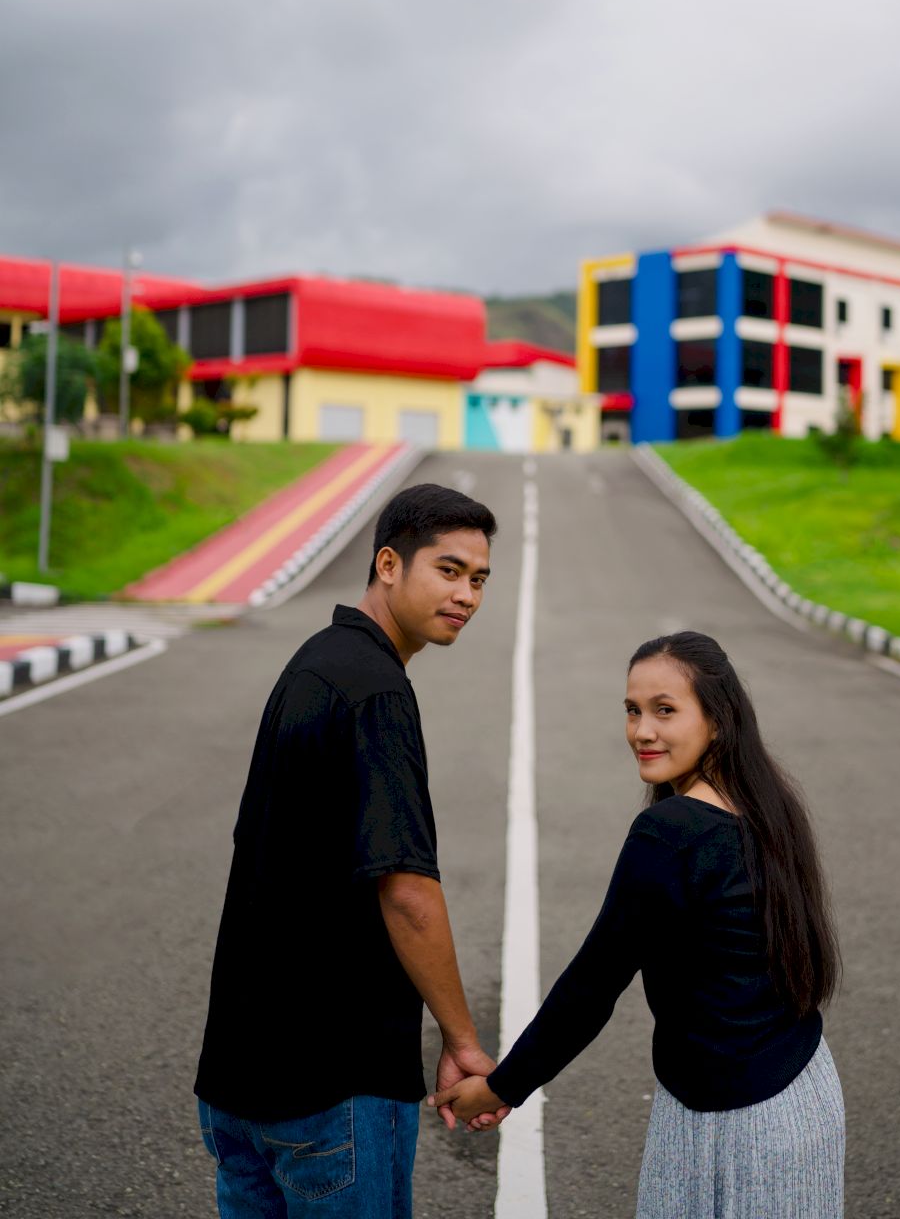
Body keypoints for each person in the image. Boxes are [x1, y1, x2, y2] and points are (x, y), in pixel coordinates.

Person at [432, 630, 846, 1219]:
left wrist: (502, 1087)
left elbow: (595, 982)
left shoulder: (670, 833)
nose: (642, 731)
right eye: (632, 710)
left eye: (664, 710)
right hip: (803, 1098)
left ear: (718, 720)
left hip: (733, 1126)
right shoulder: (767, 805)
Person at [194, 482, 508, 1219]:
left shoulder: (315, 663)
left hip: (239, 1079)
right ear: (389, 565)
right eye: (449, 570)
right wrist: (462, 1040)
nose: (466, 595)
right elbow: (405, 888)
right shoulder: (377, 692)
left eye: (478, 579)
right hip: (333, 1089)